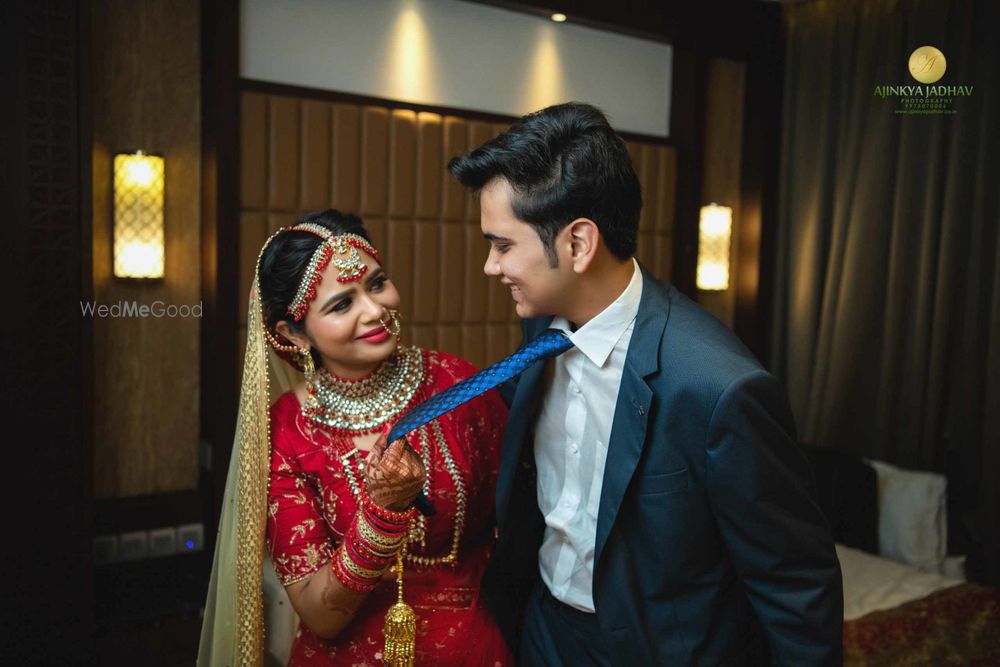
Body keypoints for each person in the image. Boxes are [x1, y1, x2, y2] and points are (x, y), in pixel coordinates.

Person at [448, 102, 844, 666]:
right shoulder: (542, 322)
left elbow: (795, 585)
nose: (491, 266)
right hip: (541, 630)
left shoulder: (718, 390)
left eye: (503, 245)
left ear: (579, 244)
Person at [198, 210, 513, 666]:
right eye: (341, 304)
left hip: (472, 646)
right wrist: (383, 515)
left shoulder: (456, 384)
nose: (374, 309)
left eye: (377, 283)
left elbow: (520, 517)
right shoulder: (287, 432)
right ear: (292, 332)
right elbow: (319, 614)